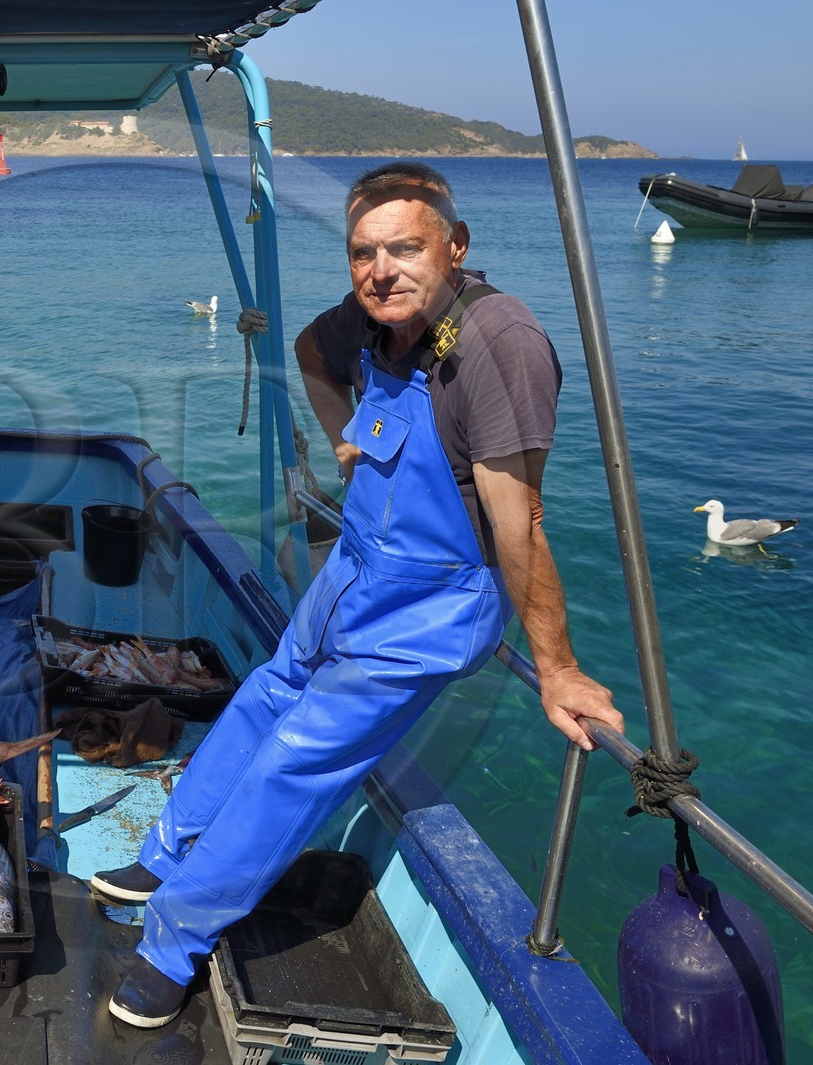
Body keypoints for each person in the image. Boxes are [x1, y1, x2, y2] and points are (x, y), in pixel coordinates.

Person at [93, 162, 625, 1027]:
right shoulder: (374, 316)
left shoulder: (498, 343)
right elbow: (310, 350)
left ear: (455, 247)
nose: (382, 270)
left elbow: (519, 520)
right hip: (354, 569)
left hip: (428, 608)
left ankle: (172, 940)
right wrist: (346, 433)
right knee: (267, 691)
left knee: (297, 754)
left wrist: (556, 667)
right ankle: (168, 849)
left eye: (406, 248)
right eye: (363, 253)